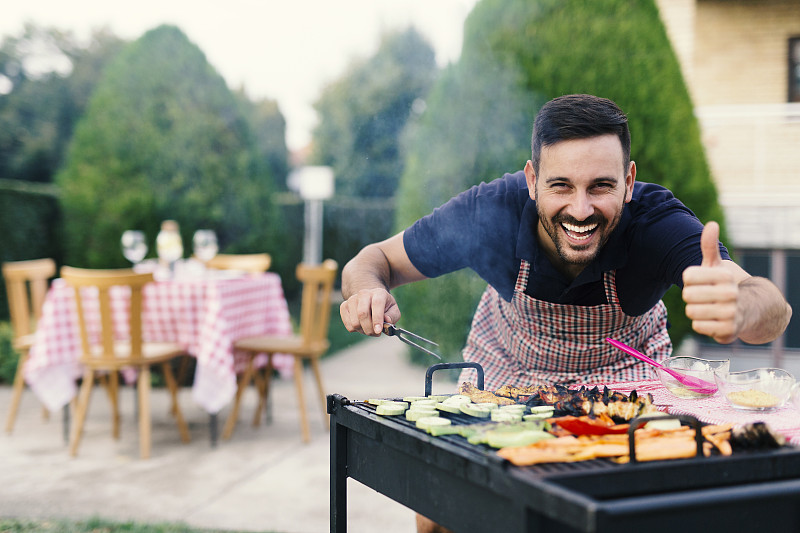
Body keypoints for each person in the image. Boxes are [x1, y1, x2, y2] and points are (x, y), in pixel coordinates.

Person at [339, 94, 792, 533]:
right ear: (532, 179)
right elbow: (373, 260)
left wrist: (741, 309)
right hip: (507, 367)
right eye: (561, 185)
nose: (581, 209)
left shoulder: (656, 223)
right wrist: (365, 292)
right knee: (444, 505)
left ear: (629, 181)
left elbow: (771, 307)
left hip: (626, 374)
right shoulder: (489, 211)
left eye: (601, 185)